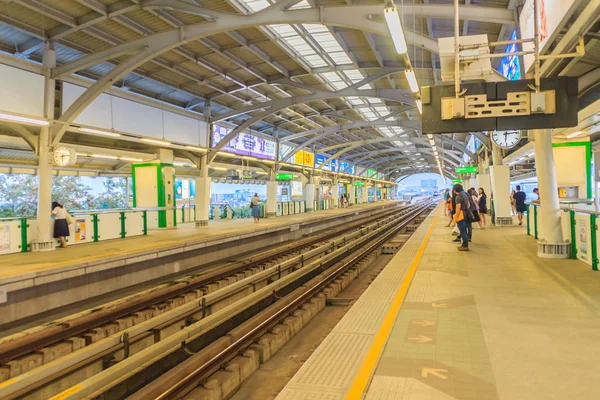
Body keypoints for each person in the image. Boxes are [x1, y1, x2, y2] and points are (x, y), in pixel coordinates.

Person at [452, 184, 470, 251]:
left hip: (461, 214)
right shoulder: (465, 195)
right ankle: (464, 245)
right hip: (466, 213)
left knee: (462, 231)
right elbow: (468, 204)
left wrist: (456, 217)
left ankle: (465, 246)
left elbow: (458, 207)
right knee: (465, 230)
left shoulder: (458, 197)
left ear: (454, 190)